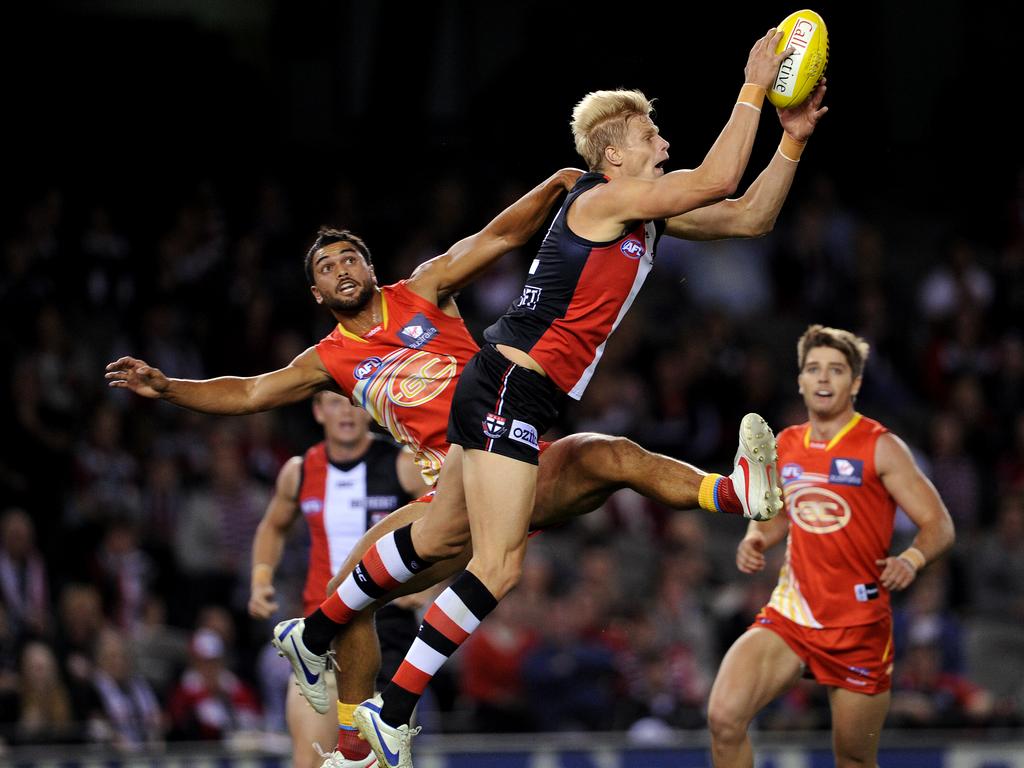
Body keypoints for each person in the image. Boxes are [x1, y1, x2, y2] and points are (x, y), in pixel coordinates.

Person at [108, 48, 826, 760]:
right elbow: (253, 392)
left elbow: (742, 214)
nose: (343, 268)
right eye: (326, 268)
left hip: (499, 429)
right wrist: (170, 387)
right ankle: (365, 728)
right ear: (318, 298)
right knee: (454, 572)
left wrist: (791, 137)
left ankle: (735, 493)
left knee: (606, 459)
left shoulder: (424, 289)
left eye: (350, 255)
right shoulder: (327, 357)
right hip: (488, 415)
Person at [706, 325, 956, 768]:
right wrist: (755, 538)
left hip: (858, 627)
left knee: (854, 760)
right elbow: (778, 513)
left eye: (836, 370)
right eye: (814, 369)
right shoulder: (787, 444)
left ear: (855, 383)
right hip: (792, 614)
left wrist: (912, 559)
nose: (823, 379)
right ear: (800, 380)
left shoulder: (882, 447)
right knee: (724, 717)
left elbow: (939, 524)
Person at [247, 390, 428, 768]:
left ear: (370, 411)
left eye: (353, 402)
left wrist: (429, 584)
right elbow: (273, 526)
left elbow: (447, 518)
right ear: (317, 412)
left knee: (376, 764)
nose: (345, 412)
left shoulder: (402, 464)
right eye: (333, 402)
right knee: (310, 760)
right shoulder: (300, 471)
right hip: (320, 645)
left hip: (388, 641)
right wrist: (261, 578)